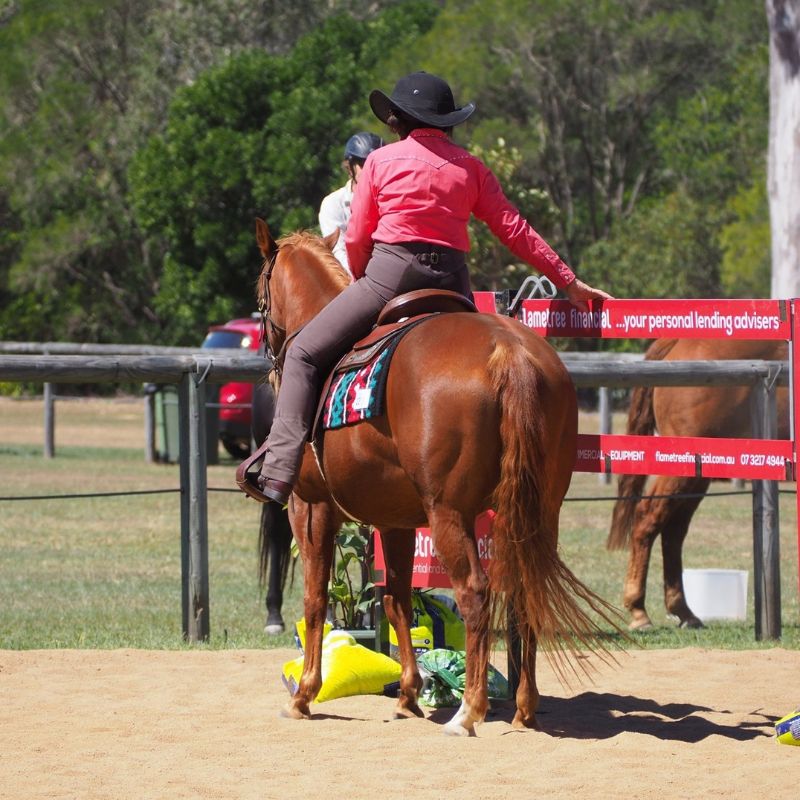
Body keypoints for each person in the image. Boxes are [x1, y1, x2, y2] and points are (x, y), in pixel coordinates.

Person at [250, 71, 612, 505]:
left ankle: (277, 472)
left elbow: (359, 236)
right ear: (448, 123)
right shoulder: (472, 168)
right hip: (454, 283)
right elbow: (514, 228)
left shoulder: (381, 163)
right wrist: (566, 281)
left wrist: (365, 283)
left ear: (398, 120)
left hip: (390, 276)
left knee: (305, 352)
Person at [318, 132, 384, 275]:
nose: (370, 170)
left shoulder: (391, 198)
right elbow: (338, 251)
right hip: (351, 277)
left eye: (375, 164)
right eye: (363, 164)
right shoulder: (333, 203)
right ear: (350, 167)